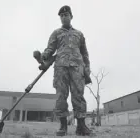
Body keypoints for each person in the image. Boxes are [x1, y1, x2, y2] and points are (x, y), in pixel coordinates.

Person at [41, 5, 92, 136]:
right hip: (60, 68)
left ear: (71, 16)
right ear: (60, 18)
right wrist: (44, 56)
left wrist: (87, 68)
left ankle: (81, 126)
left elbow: (85, 53)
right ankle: (63, 126)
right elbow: (50, 49)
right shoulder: (56, 33)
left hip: (77, 68)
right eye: (62, 16)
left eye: (66, 15)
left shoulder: (79, 34)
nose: (64, 17)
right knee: (61, 97)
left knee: (78, 96)